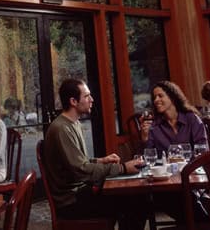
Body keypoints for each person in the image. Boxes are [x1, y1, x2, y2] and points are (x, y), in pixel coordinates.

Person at [44, 78, 147, 230]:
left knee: (133, 197)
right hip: (71, 202)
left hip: (80, 193)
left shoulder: (74, 123)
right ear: (73, 101)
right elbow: (81, 170)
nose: (91, 100)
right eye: (86, 96)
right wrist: (123, 168)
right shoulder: (61, 129)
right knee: (135, 201)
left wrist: (102, 160)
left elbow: (78, 162)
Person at [140, 80, 207, 156]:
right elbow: (149, 157)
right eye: (154, 97)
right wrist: (145, 138)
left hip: (192, 166)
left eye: (160, 96)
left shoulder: (191, 119)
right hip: (165, 167)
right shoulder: (154, 125)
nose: (156, 100)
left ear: (172, 97)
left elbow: (202, 149)